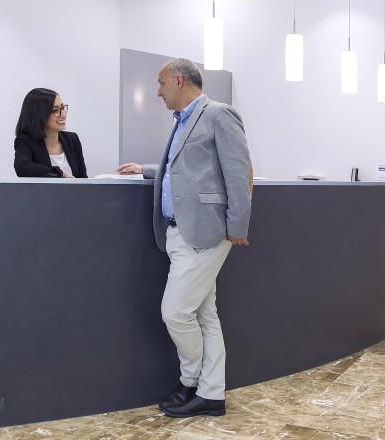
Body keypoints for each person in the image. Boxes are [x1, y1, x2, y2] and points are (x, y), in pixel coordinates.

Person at [116, 58, 252, 418]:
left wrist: (238, 226)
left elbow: (240, 173)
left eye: (161, 84)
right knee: (205, 315)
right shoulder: (183, 119)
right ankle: (212, 394)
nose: (158, 92)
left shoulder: (220, 114)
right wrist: (145, 170)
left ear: (178, 80)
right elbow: (185, 167)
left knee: (175, 312)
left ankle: (191, 380)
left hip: (206, 232)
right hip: (178, 232)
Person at [14, 88, 88, 178]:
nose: (64, 114)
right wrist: (60, 173)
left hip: (73, 193)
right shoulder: (26, 141)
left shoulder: (72, 139)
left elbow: (82, 180)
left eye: (62, 108)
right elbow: (22, 167)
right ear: (39, 115)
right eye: (56, 110)